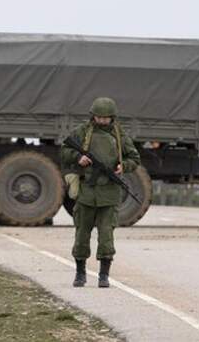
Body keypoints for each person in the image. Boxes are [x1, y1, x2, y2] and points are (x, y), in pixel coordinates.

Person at [60, 97, 140, 288]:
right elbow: (64, 151)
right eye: (99, 117)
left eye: (106, 118)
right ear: (93, 116)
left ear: (112, 117)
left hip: (109, 195)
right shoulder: (82, 132)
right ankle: (80, 274)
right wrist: (78, 157)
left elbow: (134, 158)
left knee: (106, 238)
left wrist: (124, 166)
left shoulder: (119, 135)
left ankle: (104, 275)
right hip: (86, 193)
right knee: (81, 236)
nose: (102, 120)